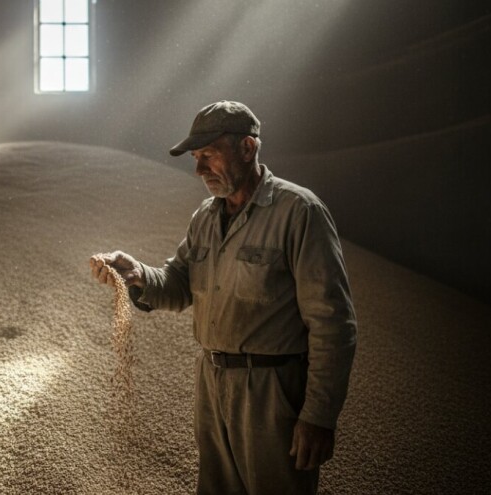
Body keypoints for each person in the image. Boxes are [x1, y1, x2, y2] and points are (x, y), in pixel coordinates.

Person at [89, 101, 357, 495]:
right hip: (212, 383)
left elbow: (333, 323)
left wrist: (319, 415)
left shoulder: (299, 212)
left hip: (271, 391)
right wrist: (138, 274)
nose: (199, 170)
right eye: (196, 159)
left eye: (209, 155)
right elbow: (179, 282)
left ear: (247, 148)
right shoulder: (205, 217)